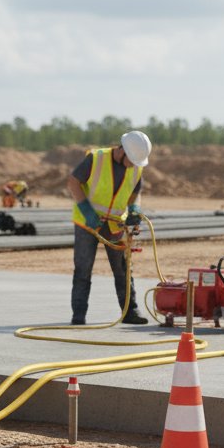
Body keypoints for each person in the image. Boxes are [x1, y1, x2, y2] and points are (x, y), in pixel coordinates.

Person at [67, 130, 152, 326]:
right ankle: (78, 315)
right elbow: (73, 182)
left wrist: (135, 209)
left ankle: (130, 311)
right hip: (88, 223)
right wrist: (86, 210)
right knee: (83, 269)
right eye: (131, 160)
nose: (133, 165)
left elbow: (135, 192)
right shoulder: (96, 159)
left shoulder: (136, 167)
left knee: (123, 269)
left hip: (115, 223)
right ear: (122, 151)